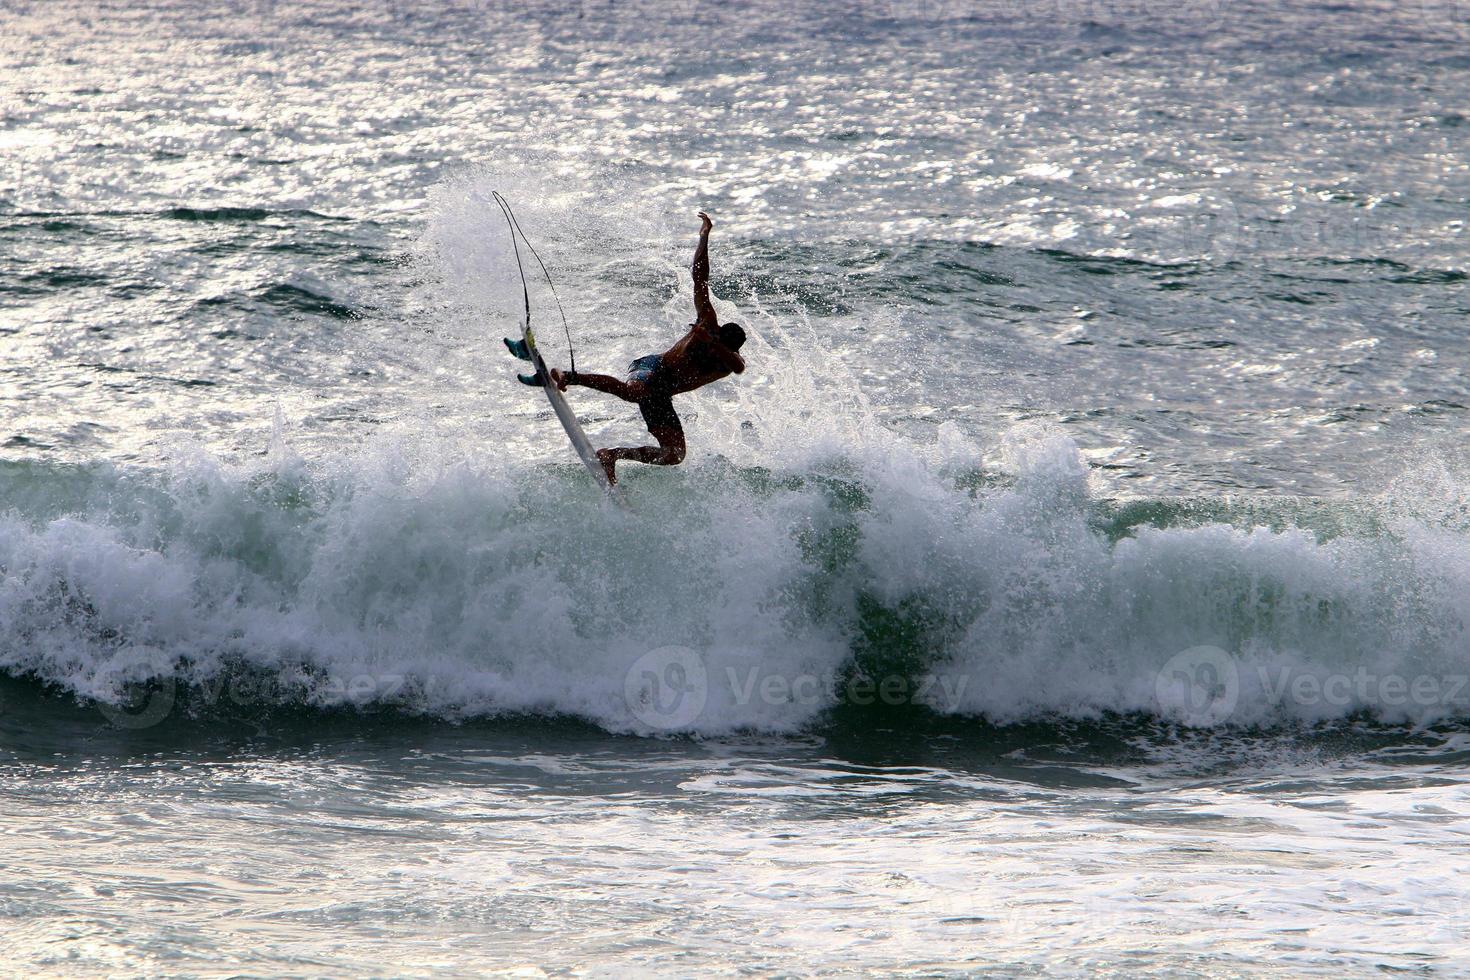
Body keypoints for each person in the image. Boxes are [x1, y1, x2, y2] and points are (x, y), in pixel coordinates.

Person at [526, 211, 746, 485]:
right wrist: (704, 237)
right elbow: (700, 278)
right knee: (634, 392)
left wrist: (710, 341)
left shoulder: (728, 364)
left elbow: (738, 367)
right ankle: (569, 377)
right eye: (714, 341)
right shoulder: (708, 321)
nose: (712, 350)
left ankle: (612, 455)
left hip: (662, 394)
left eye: (718, 349)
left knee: (674, 454)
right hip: (651, 368)